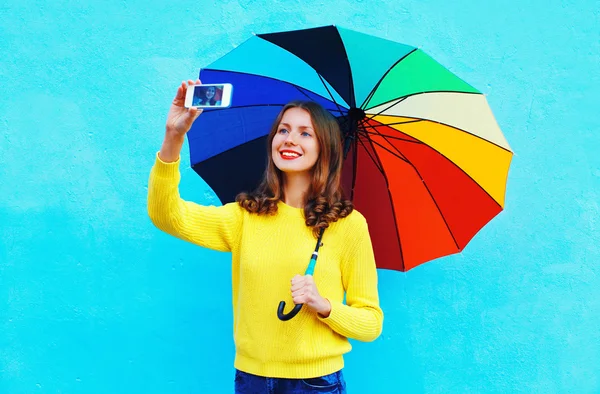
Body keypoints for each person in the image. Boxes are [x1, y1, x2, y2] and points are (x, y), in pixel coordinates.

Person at [148, 80, 383, 393]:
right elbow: (167, 215)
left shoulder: (348, 225)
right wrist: (173, 137)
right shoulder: (246, 216)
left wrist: (323, 304)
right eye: (283, 130)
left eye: (305, 133)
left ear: (324, 148)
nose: (289, 139)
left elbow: (370, 322)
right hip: (252, 379)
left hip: (317, 384)